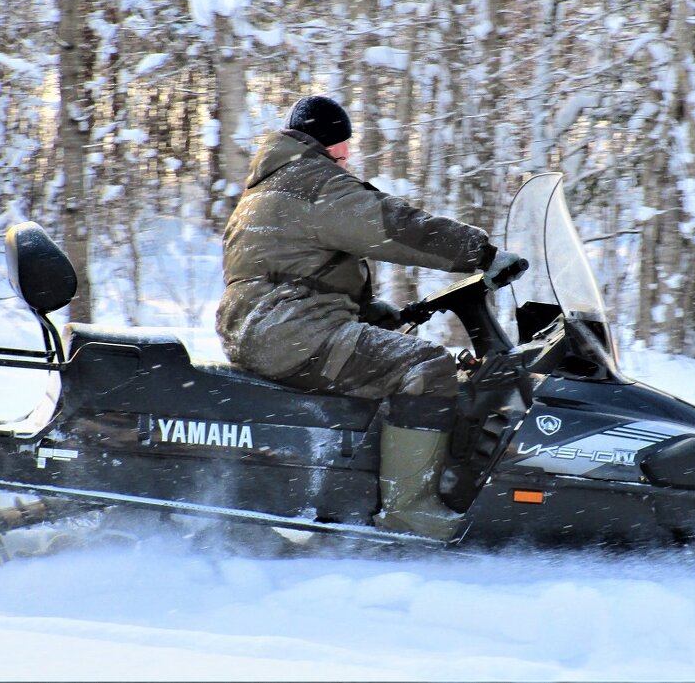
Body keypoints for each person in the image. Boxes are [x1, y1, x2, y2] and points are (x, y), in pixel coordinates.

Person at [216, 95, 525, 540]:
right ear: (318, 147)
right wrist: (482, 254)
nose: (344, 164)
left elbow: (287, 272)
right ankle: (409, 511)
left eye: (345, 155)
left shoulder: (267, 187)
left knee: (396, 358)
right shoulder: (312, 182)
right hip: (290, 333)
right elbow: (395, 227)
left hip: (263, 329)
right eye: (338, 154)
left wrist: (369, 312)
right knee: (426, 368)